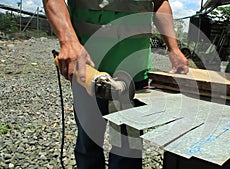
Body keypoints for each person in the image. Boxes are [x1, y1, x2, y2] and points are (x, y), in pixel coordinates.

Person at [43, 0, 189, 168]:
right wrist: (68, 41)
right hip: (88, 71)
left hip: (134, 74)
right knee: (88, 142)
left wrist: (173, 48)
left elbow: (160, 2)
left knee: (128, 148)